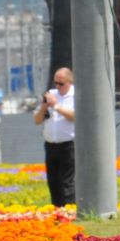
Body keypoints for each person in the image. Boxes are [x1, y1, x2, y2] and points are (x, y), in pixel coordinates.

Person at [32, 67, 76, 207]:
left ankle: (69, 209)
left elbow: (74, 116)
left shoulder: (75, 95)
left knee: (67, 182)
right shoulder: (51, 94)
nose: (57, 86)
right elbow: (37, 120)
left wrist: (56, 106)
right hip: (51, 145)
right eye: (55, 83)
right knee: (53, 181)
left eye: (61, 84)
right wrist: (45, 106)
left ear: (70, 82)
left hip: (68, 144)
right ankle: (57, 210)